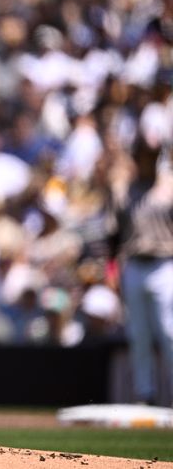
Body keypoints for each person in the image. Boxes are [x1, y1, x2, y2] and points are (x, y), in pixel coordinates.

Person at [110, 133, 173, 406]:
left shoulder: (168, 187)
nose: (145, 161)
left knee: (169, 331)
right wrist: (111, 269)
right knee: (139, 335)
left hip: (164, 263)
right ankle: (144, 395)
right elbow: (113, 234)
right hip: (134, 264)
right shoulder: (125, 190)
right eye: (141, 156)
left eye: (150, 156)